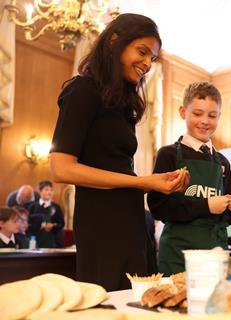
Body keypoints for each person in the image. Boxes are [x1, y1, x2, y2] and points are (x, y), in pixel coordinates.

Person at [49, 14, 189, 291]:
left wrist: (154, 184)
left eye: (153, 58)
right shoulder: (83, 90)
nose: (148, 64)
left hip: (132, 218)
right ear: (115, 41)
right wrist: (142, 182)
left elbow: (118, 168)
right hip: (102, 222)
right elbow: (60, 168)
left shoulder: (120, 103)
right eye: (142, 52)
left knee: (140, 300)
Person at [147, 81, 231, 276]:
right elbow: (158, 207)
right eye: (197, 113)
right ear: (183, 112)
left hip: (215, 254)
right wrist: (206, 206)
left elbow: (226, 217)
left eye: (212, 115)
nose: (205, 121)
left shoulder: (223, 162)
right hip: (178, 255)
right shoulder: (168, 155)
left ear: (219, 116)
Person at [27, 180, 65, 248]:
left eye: (51, 190)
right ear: (40, 191)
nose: (49, 192)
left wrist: (53, 225)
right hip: (35, 241)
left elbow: (61, 223)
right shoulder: (32, 207)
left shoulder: (56, 207)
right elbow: (27, 224)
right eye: (46, 190)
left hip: (53, 241)